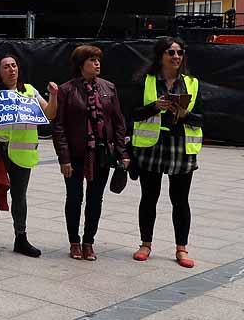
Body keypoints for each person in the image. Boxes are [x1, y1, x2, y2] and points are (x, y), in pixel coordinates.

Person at [0, 53, 58, 259]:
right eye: (6, 67)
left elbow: (50, 114)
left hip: (22, 153)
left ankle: (21, 238)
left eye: (14, 66)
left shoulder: (29, 91)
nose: (11, 70)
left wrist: (54, 96)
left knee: (20, 198)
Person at [130, 37, 202, 268]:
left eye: (179, 52)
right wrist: (154, 107)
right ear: (161, 56)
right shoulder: (146, 81)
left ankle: (181, 248)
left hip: (181, 146)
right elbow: (132, 113)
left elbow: (203, 118)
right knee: (149, 197)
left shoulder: (192, 83)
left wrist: (184, 115)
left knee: (180, 200)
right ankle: (145, 244)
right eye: (171, 53)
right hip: (152, 145)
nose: (176, 57)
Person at [52, 45, 127, 263]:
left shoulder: (109, 88)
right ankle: (74, 241)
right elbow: (59, 127)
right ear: (80, 64)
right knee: (74, 198)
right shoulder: (67, 90)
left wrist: (122, 153)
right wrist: (63, 158)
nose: (97, 64)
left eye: (98, 60)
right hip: (75, 155)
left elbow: (118, 122)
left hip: (102, 153)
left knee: (96, 199)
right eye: (92, 60)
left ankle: (89, 242)